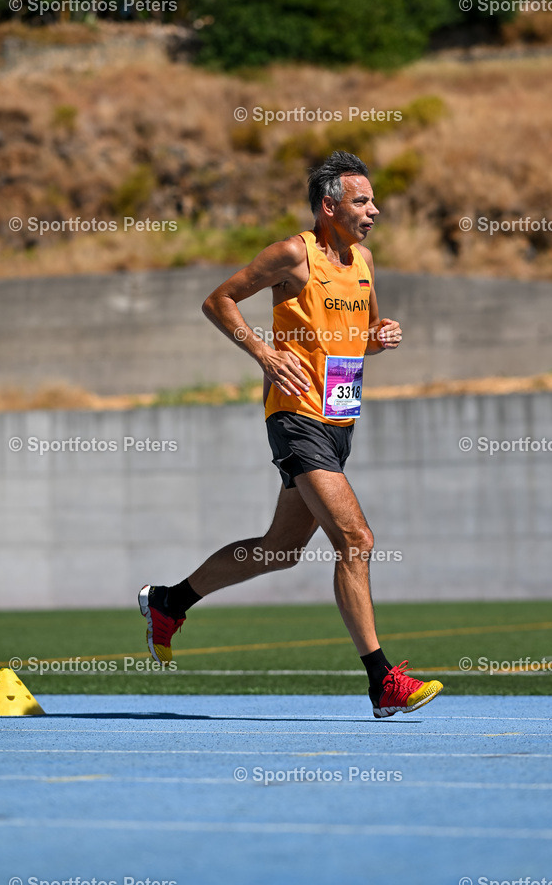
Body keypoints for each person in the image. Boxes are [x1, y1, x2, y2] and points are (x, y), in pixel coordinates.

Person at [139, 150, 443, 717]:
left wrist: (382, 336)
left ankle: (169, 602)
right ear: (329, 206)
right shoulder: (292, 255)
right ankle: (383, 680)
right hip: (295, 416)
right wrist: (261, 350)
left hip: (339, 419)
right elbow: (218, 300)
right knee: (356, 539)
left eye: (374, 200)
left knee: (279, 551)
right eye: (362, 200)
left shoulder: (364, 260)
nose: (374, 209)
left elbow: (364, 332)